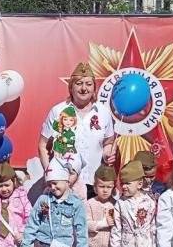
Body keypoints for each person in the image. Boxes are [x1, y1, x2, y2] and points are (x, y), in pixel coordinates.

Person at [39, 62, 117, 199]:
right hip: (65, 183)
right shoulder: (58, 111)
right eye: (79, 83)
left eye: (88, 84)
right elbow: (43, 144)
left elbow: (108, 142)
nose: (84, 88)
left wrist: (107, 154)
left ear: (94, 88)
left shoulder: (103, 113)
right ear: (71, 87)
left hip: (94, 185)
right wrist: (50, 173)